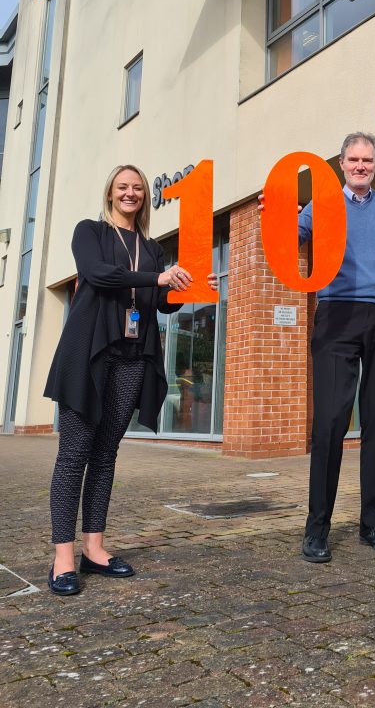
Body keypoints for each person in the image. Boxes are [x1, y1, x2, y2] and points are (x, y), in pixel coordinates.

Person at [260, 133, 375, 563]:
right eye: (353, 159)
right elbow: (293, 240)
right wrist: (278, 221)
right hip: (336, 316)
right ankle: (316, 528)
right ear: (341, 163)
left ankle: (374, 524)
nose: (361, 166)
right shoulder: (320, 204)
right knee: (330, 424)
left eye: (367, 160)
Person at [44, 164, 217, 596]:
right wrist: (156, 277)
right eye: (123, 187)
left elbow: (160, 303)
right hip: (90, 355)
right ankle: (63, 558)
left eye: (138, 188)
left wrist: (188, 289)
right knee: (73, 456)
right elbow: (99, 275)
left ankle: (94, 549)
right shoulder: (91, 232)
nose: (131, 193)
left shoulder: (152, 248)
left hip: (132, 357)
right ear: (110, 194)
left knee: (104, 456)